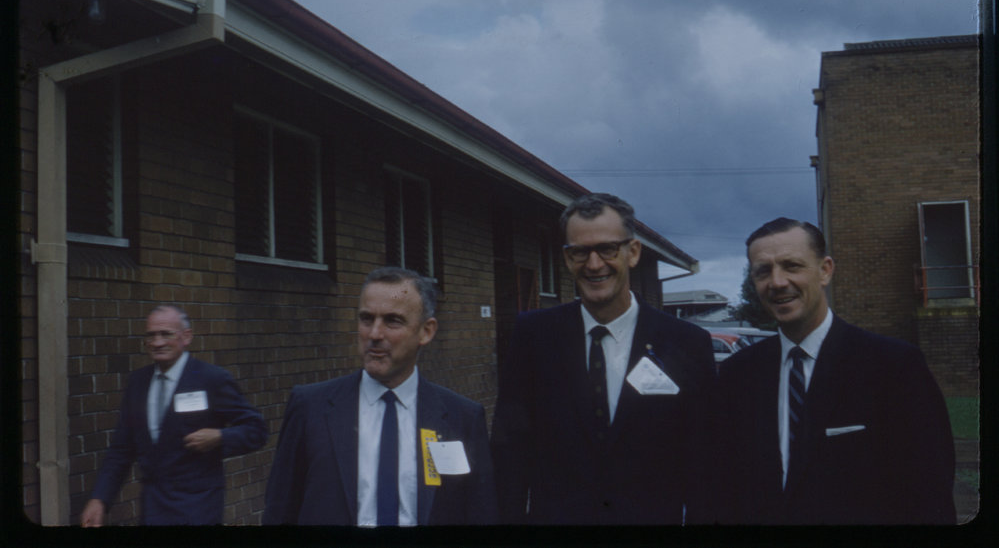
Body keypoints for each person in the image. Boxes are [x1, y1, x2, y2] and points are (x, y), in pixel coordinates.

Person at [490, 193, 717, 524]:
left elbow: (704, 461)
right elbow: (510, 450)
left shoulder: (686, 342)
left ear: (633, 252)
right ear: (566, 258)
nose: (594, 264)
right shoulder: (534, 336)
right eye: (580, 252)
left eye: (607, 249)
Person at [718, 217, 956, 524]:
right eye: (763, 271)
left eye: (792, 266)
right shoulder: (738, 375)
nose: (777, 282)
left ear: (825, 270)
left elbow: (929, 492)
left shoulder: (893, 367)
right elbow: (726, 489)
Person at [262, 267, 497, 525]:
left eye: (392, 321)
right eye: (366, 319)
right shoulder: (310, 407)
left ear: (426, 331)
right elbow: (279, 509)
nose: (374, 334)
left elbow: (479, 513)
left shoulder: (461, 417)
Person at [80, 305, 267, 526]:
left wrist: (220, 436)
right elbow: (121, 449)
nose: (157, 343)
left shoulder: (211, 379)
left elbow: (256, 429)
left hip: (197, 508)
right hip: (153, 509)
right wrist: (100, 499)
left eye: (166, 334)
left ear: (186, 337)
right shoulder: (138, 383)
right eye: (151, 335)